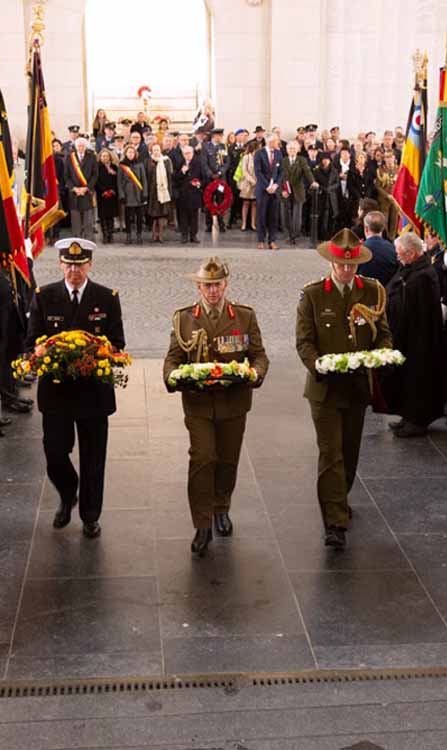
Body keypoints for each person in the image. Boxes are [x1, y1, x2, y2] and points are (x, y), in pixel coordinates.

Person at [163, 257, 269, 557]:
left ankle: (222, 506)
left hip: (234, 402)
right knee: (202, 458)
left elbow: (259, 355)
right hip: (198, 403)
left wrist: (256, 373)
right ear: (198, 287)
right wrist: (171, 377)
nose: (212, 291)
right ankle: (202, 523)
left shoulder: (244, 316)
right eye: (207, 286)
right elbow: (173, 358)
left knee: (227, 460)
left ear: (226, 285)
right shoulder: (184, 318)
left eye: (217, 285)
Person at [296, 229, 392, 549]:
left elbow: (383, 334)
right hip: (324, 389)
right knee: (331, 454)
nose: (347, 270)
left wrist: (381, 355)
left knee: (349, 453)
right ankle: (334, 521)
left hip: (356, 386)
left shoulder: (372, 291)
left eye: (352, 265)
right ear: (331, 263)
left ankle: (340, 497)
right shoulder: (313, 295)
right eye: (341, 265)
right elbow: (304, 341)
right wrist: (318, 365)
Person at [25, 238, 125, 539]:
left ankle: (90, 515)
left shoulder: (106, 298)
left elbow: (117, 343)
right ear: (60, 265)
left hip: (93, 392)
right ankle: (68, 492)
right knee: (55, 454)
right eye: (68, 264)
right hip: (57, 393)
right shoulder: (44, 297)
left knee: (94, 459)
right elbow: (31, 341)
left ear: (89, 265)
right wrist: (42, 354)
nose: (74, 271)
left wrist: (97, 354)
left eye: (80, 265)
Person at [382, 233, 447, 437]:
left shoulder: (424, 276)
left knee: (417, 381)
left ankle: (417, 420)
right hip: (407, 337)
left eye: (400, 254)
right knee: (405, 380)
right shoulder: (411, 269)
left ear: (411, 253)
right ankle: (407, 415)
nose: (398, 258)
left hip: (420, 340)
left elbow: (416, 310)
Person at [282, 140, 316, 245]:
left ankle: (295, 235)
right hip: (285, 190)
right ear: (287, 150)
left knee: (297, 214)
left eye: (294, 148)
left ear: (297, 150)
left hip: (298, 190)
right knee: (285, 213)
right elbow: (280, 177)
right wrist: (282, 190)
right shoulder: (283, 160)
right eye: (290, 149)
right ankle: (288, 234)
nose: (292, 150)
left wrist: (313, 181)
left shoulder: (302, 160)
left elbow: (307, 172)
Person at [64, 137, 98, 240]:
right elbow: (66, 176)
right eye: (79, 146)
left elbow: (95, 175)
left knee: (88, 218)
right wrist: (74, 188)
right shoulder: (70, 157)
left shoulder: (92, 157)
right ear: (76, 147)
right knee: (75, 218)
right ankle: (76, 239)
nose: (81, 148)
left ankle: (88, 239)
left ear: (86, 147)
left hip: (87, 192)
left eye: (83, 146)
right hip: (74, 192)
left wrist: (87, 188)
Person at [254, 133, 284, 250]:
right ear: (270, 142)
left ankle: (272, 241)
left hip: (275, 190)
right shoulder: (259, 153)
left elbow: (281, 172)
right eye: (276, 141)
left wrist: (276, 185)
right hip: (263, 189)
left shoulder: (278, 153)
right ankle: (261, 240)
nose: (278, 143)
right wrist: (267, 186)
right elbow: (258, 172)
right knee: (261, 215)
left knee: (273, 216)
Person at [173, 144, 207, 244]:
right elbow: (174, 178)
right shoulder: (179, 163)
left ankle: (193, 235)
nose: (187, 155)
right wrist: (182, 172)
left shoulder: (198, 163)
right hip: (183, 194)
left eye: (189, 153)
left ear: (192, 153)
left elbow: (204, 178)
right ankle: (184, 235)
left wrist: (199, 184)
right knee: (183, 216)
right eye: (185, 153)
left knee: (194, 216)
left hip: (194, 194)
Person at [118, 144, 148, 244]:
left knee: (139, 216)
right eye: (129, 152)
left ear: (135, 154)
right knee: (128, 217)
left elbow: (144, 180)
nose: (131, 154)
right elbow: (119, 182)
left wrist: (145, 194)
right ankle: (128, 235)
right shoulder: (122, 165)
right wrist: (122, 195)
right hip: (127, 193)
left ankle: (139, 235)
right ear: (126, 153)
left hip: (138, 193)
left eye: (132, 152)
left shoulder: (140, 164)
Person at [358, 211, 398, 285]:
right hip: (386, 289)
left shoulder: (358, 250)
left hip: (363, 289)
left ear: (366, 229)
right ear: (383, 228)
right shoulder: (394, 249)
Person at [146, 142, 174, 243]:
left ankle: (161, 234)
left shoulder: (166, 161)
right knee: (154, 214)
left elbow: (170, 176)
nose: (156, 152)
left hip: (163, 191)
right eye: (154, 150)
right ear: (151, 151)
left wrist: (169, 190)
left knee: (162, 214)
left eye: (157, 149)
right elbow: (147, 177)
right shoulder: (148, 161)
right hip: (152, 191)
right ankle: (154, 234)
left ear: (160, 150)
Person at [94, 149, 118, 244]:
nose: (105, 158)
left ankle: (110, 235)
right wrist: (104, 191)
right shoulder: (97, 167)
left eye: (107, 156)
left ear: (110, 157)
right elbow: (96, 181)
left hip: (112, 194)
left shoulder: (114, 167)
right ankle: (104, 235)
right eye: (103, 156)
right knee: (102, 216)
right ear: (100, 157)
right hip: (102, 195)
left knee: (110, 216)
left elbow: (117, 180)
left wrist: (112, 190)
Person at [236, 140, 258, 232]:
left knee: (254, 204)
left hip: (257, 184)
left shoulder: (259, 157)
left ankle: (253, 224)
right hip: (247, 184)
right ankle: (244, 223)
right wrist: (252, 180)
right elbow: (244, 171)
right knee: (246, 203)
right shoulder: (246, 157)